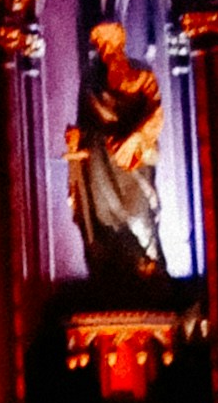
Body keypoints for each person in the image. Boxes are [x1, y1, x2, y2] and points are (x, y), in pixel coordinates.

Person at [66, 15, 166, 285]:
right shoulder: (91, 82)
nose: (103, 48)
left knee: (137, 213)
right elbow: (84, 123)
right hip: (100, 161)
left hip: (133, 159)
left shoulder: (142, 75)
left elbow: (156, 114)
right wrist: (76, 137)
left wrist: (133, 139)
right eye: (98, 43)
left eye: (106, 41)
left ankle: (150, 266)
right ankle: (110, 269)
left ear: (119, 41)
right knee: (103, 219)